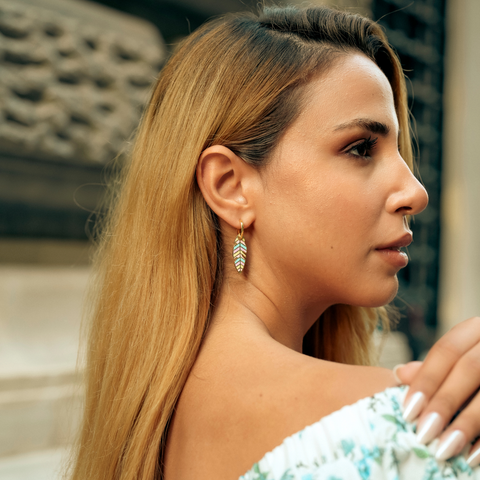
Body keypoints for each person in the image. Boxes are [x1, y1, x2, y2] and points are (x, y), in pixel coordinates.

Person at [69, 5, 480, 480]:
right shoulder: (408, 430)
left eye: (399, 154)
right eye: (361, 149)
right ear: (230, 187)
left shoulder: (145, 419)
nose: (416, 193)